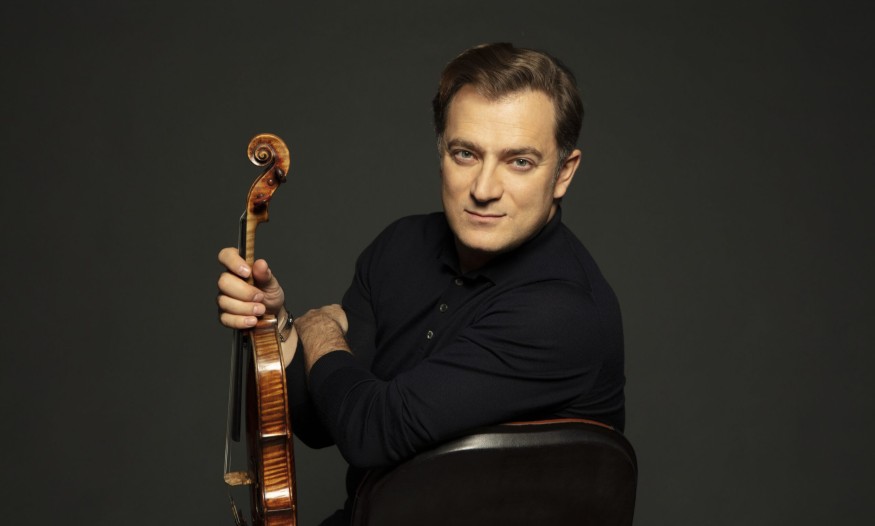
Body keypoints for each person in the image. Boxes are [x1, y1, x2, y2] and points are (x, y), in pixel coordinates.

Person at [217, 42, 625, 523]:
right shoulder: (401, 246)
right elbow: (327, 420)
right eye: (465, 153)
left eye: (519, 161)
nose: (484, 189)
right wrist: (279, 327)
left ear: (563, 173)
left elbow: (371, 432)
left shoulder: (563, 311)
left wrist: (317, 329)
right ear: (441, 151)